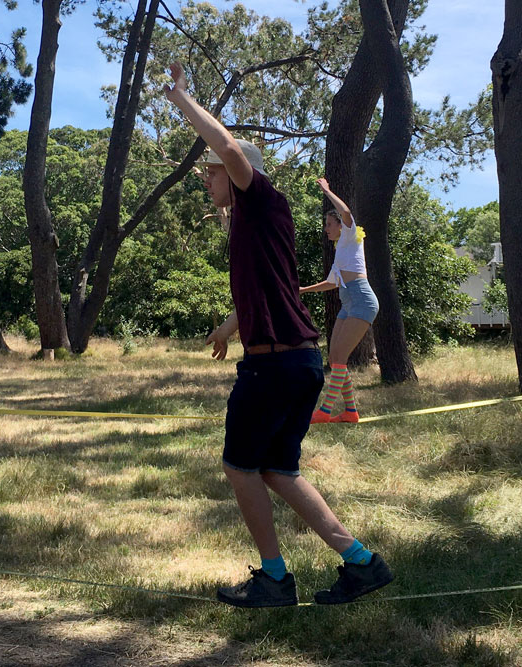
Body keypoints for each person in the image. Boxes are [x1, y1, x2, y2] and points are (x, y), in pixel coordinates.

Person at [164, 62, 393, 607]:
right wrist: (227, 326)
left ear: (236, 172)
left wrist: (181, 98)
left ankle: (274, 579)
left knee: (239, 465)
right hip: (295, 363)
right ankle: (361, 563)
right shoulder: (249, 226)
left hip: (274, 368)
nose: (209, 180)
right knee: (277, 469)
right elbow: (269, 290)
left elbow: (231, 150)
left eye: (213, 173)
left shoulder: (261, 199)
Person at [300, 179, 379, 424]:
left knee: (340, 357)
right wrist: (302, 290)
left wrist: (326, 191)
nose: (326, 229)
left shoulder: (350, 234)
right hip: (348, 304)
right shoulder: (341, 252)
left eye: (328, 224)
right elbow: (331, 283)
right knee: (335, 357)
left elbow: (345, 212)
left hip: (362, 301)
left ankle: (324, 411)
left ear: (340, 225)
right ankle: (350, 412)